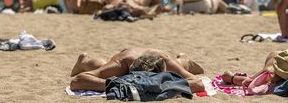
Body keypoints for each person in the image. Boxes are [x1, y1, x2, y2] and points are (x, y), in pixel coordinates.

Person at [69, 47, 205, 93]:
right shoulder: (122, 65)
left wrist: (161, 85)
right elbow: (77, 81)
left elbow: (198, 84)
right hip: (127, 55)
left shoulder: (165, 63)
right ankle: (84, 61)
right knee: (102, 68)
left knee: (179, 66)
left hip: (161, 56)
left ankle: (184, 59)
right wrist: (117, 85)